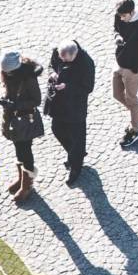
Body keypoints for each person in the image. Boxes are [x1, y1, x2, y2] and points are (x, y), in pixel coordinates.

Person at [0, 52, 45, 202]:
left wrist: (15, 105)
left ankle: (27, 185)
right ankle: (22, 179)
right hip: (13, 119)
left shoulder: (28, 77)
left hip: (25, 120)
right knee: (18, 148)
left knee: (25, 150)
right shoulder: (9, 75)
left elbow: (36, 100)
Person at [48, 40, 96, 185]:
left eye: (66, 60)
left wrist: (67, 87)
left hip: (75, 107)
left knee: (77, 137)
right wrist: (52, 73)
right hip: (58, 103)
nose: (62, 61)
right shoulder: (59, 51)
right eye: (61, 58)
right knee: (56, 129)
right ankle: (76, 154)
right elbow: (51, 65)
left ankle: (76, 167)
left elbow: (87, 88)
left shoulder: (86, 63)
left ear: (74, 54)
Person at [112, 0, 138, 148]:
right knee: (116, 94)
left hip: (132, 68)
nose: (121, 19)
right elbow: (116, 28)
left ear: (131, 13)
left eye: (124, 16)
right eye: (119, 16)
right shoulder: (119, 16)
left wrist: (135, 68)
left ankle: (135, 130)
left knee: (131, 98)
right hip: (120, 62)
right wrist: (117, 37)